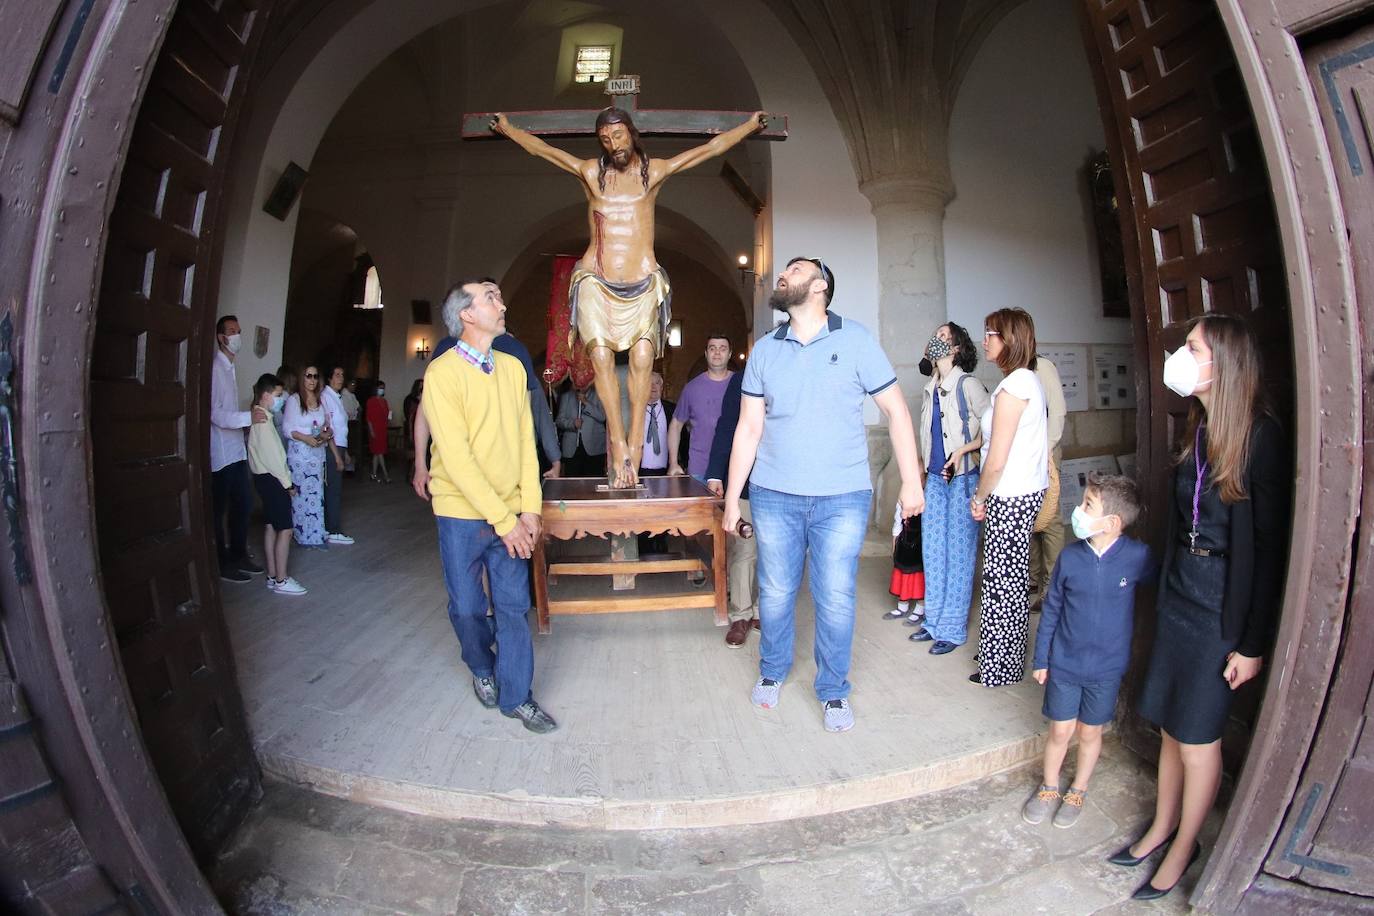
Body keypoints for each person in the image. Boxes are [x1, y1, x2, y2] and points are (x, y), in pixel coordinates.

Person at [491, 107, 767, 487]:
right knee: (600, 354)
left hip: (641, 278)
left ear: (632, 134)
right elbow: (545, 151)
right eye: (605, 139)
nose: (613, 144)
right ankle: (618, 441)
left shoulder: (652, 173)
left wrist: (750, 127)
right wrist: (508, 130)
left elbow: (709, 149)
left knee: (641, 356)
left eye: (619, 135)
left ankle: (635, 440)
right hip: (596, 277)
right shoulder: (591, 173)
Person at [1111, 315, 1287, 901]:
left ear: (1223, 363)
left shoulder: (1261, 436)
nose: (1180, 356)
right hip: (1182, 592)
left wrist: (1252, 642)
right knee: (1168, 726)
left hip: (1220, 607)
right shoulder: (1199, 428)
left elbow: (1265, 551)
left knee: (1197, 736)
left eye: (1191, 348)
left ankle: (1186, 844)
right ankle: (1161, 826)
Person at [722, 257, 924, 732]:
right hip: (773, 494)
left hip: (842, 496)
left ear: (819, 286)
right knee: (774, 591)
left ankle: (833, 690)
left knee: (834, 596)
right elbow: (748, 428)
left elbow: (896, 412)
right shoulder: (767, 349)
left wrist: (912, 481)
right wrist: (734, 499)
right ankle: (772, 671)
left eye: (792, 269)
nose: (781, 276)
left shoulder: (855, 340)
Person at [420, 277, 555, 734]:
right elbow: (455, 456)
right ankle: (481, 666)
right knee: (467, 609)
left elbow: (524, 443)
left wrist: (530, 510)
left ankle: (518, 696)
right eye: (490, 297)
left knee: (515, 608)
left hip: (512, 514)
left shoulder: (514, 368)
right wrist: (504, 520)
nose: (502, 303)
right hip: (462, 513)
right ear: (467, 315)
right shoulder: (441, 373)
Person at [1022, 473, 1153, 828]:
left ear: (1112, 522)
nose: (1078, 511)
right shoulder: (1070, 558)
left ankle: (1077, 789)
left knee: (1091, 732)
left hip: (1107, 669)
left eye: (1087, 506)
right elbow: (1051, 610)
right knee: (1060, 731)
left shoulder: (1138, 558)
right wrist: (1042, 658)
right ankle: (1049, 786)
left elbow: (1156, 597)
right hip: (1064, 665)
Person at [968, 308, 1049, 687]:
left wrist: (980, 496)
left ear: (1011, 340)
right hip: (1021, 492)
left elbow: (997, 458)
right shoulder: (1023, 381)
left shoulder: (1016, 385)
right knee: (1010, 580)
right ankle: (1002, 659)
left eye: (992, 334)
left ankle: (999, 668)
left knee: (1002, 583)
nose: (985, 340)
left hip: (1009, 493)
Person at [905, 323, 989, 655]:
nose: (935, 340)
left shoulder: (968, 385)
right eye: (935, 335)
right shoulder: (930, 388)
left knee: (959, 553)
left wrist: (963, 450)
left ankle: (952, 629)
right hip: (936, 480)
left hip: (964, 479)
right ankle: (933, 621)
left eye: (943, 337)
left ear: (956, 349)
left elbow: (994, 428)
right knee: (934, 550)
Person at [209, 315, 268, 582]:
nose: (237, 336)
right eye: (232, 332)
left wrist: (244, 424)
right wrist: (248, 418)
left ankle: (239, 553)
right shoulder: (215, 369)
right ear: (221, 337)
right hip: (220, 454)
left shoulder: (230, 368)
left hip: (236, 450)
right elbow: (216, 414)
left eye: (239, 331)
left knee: (243, 504)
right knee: (218, 510)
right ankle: (221, 562)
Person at [706, 370, 759, 647]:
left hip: (785, 482)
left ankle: (764, 612)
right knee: (744, 549)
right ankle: (741, 615)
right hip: (745, 481)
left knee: (778, 551)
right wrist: (715, 473)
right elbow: (727, 426)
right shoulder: (744, 378)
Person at [247, 374, 307, 596]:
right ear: (265, 396)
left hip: (263, 478)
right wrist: (288, 484)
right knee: (286, 529)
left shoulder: (263, 417)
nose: (281, 399)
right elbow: (275, 459)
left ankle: (273, 575)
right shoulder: (262, 421)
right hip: (273, 479)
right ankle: (282, 579)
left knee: (271, 525)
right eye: (278, 395)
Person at [1029, 354, 1068, 611]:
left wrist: (1047, 452)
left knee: (1050, 518)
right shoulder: (1014, 369)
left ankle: (1051, 586)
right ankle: (1032, 579)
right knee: (1029, 515)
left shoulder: (1042, 366)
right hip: (1024, 455)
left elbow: (1057, 411)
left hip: (1044, 454)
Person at [668, 334, 734, 481]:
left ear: (729, 354)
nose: (717, 352)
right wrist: (673, 463)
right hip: (700, 469)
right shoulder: (692, 388)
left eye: (722, 348)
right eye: (712, 348)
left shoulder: (740, 385)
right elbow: (676, 425)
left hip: (734, 469)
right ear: (706, 354)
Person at [282, 365, 331, 548]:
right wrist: (306, 438)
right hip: (300, 456)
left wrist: (325, 433)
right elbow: (287, 429)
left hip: (316, 454)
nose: (312, 380)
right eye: (308, 376)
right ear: (302, 378)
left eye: (315, 376)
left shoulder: (320, 400)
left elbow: (326, 423)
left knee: (315, 496)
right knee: (301, 497)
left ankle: (316, 533)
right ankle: (302, 534)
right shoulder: (294, 400)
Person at [321, 366, 354, 545]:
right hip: (331, 448)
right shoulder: (326, 397)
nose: (341, 378)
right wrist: (337, 455)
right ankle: (332, 529)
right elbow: (328, 428)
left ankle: (331, 526)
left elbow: (342, 429)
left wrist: (345, 452)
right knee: (333, 490)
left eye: (342, 374)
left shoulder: (337, 397)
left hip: (340, 447)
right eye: (337, 375)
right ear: (329, 378)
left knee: (336, 489)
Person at [556, 382, 606, 477]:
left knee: (593, 480)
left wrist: (586, 403)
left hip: (594, 447)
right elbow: (559, 421)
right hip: (572, 448)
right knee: (572, 483)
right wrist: (572, 423)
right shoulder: (567, 396)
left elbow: (603, 416)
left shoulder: (599, 394)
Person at [640, 371, 672, 476]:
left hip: (665, 470)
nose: (653, 386)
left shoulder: (671, 409)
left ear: (662, 388)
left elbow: (683, 438)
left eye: (657, 383)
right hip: (639, 471)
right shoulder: (635, 410)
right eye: (649, 383)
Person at [366, 381, 391, 483]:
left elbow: (388, 414)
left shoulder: (384, 401)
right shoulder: (371, 401)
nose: (382, 389)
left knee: (377, 454)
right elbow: (368, 418)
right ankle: (386, 475)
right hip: (375, 430)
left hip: (382, 429)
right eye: (380, 387)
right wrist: (371, 430)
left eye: (383, 388)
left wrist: (389, 419)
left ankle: (374, 474)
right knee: (379, 452)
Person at [403, 379, 424, 480]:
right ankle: (411, 476)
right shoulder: (410, 399)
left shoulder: (423, 399)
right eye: (420, 386)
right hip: (411, 428)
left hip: (421, 429)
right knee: (412, 454)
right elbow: (410, 417)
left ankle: (414, 475)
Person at [339, 376, 361, 472]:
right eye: (352, 384)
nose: (353, 386)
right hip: (347, 422)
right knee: (348, 445)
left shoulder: (353, 396)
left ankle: (351, 467)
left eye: (355, 385)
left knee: (354, 446)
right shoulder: (343, 395)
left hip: (354, 422)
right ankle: (346, 467)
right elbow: (346, 411)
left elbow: (358, 407)